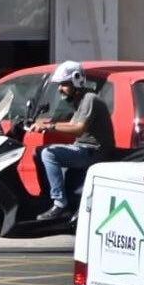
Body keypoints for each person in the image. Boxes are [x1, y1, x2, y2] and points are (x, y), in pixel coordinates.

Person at [29, 61, 114, 222]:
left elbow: (78, 128)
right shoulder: (80, 100)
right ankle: (49, 197)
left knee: (49, 154)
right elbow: (72, 124)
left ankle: (60, 203)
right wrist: (46, 125)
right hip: (84, 148)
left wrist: (51, 126)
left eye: (64, 84)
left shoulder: (90, 99)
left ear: (77, 80)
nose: (60, 89)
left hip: (93, 151)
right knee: (39, 152)